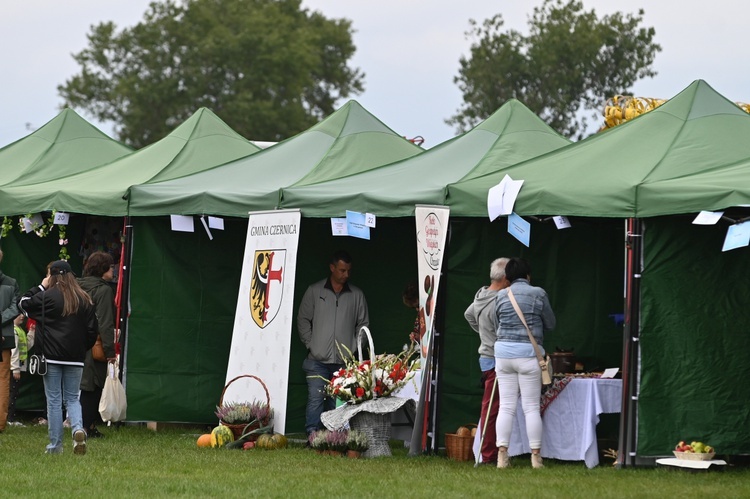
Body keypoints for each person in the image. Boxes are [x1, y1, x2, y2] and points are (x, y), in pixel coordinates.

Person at [18, 260, 97, 455]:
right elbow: (92, 331)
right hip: (76, 357)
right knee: (72, 398)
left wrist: (41, 286)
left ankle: (55, 446)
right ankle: (78, 428)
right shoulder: (84, 298)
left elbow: (23, 303)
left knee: (53, 400)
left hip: (51, 357)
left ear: (51, 276)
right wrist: (82, 349)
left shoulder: (47, 296)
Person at [297, 250, 369, 437]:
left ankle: (333, 436)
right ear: (332, 268)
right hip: (316, 359)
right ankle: (312, 436)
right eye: (342, 270)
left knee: (337, 401)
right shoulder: (315, 291)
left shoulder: (357, 295)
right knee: (316, 398)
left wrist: (354, 348)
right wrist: (311, 344)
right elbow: (303, 319)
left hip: (344, 361)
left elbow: (363, 325)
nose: (346, 275)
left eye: (348, 271)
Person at [493, 257, 555, 469]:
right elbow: (551, 323)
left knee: (506, 406)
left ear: (507, 278)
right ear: (528, 276)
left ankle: (502, 456)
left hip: (503, 354)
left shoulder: (501, 295)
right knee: (530, 408)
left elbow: (496, 322)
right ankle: (536, 458)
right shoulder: (539, 293)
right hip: (529, 354)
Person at [464, 257, 509, 465]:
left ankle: (492, 451)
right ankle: (488, 454)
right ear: (506, 278)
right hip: (496, 357)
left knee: (495, 406)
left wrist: (483, 334)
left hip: (486, 355)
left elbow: (469, 314)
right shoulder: (500, 299)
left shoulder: (481, 295)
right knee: (492, 408)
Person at [78, 251, 117, 438]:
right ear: (103, 269)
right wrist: (110, 351)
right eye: (111, 267)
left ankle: (82, 425)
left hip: (72, 342)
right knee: (93, 386)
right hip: (93, 344)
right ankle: (86, 426)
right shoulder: (104, 290)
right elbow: (105, 323)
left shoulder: (76, 286)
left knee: (76, 386)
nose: (113, 270)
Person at [0, 249, 20, 433]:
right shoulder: (11, 283)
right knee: (3, 379)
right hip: (4, 336)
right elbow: (15, 308)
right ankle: (0, 422)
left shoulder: (11, 283)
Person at [8, 314, 36, 426]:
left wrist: (31, 332)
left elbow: (26, 346)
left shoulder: (20, 330)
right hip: (15, 368)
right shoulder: (14, 331)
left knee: (14, 393)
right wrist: (15, 369)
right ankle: (9, 419)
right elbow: (14, 352)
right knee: (11, 393)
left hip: (20, 366)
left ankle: (10, 417)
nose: (22, 316)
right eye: (18, 314)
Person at [401, 280, 424, 345]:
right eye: (414, 308)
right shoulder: (420, 315)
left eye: (418, 306)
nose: (417, 310)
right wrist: (417, 336)